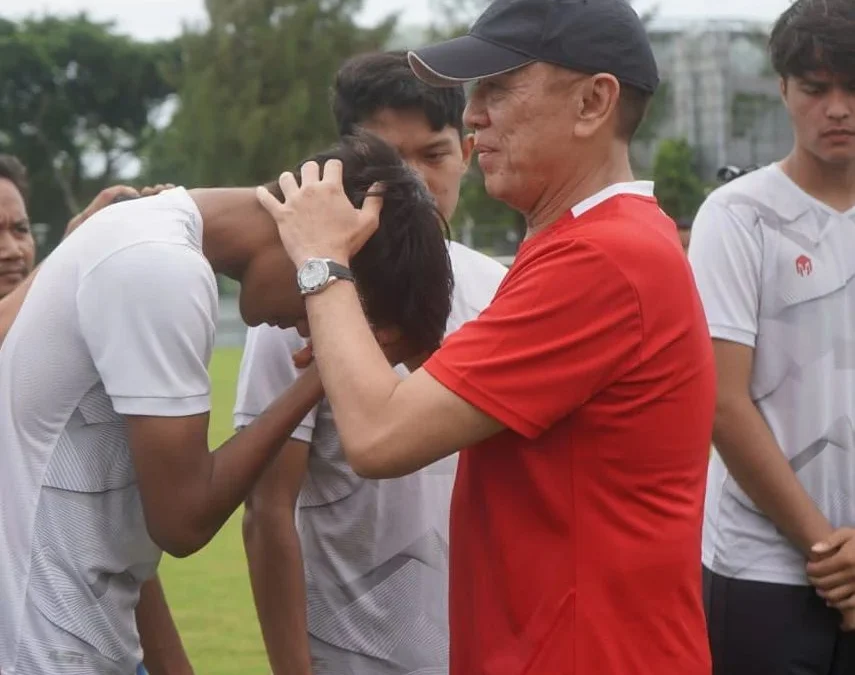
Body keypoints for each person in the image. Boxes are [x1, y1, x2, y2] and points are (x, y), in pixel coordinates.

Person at [253, 0, 717, 673]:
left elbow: (379, 437)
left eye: (499, 87)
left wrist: (322, 262)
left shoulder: (601, 259)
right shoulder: (589, 243)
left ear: (593, 101)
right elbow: (529, 434)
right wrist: (409, 347)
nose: (472, 115)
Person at [0, 132, 454, 675]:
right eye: (332, 306)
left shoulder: (146, 238)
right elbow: (183, 522)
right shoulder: (159, 266)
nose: (317, 328)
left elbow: (124, 541)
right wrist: (320, 379)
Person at [236, 50, 507, 675]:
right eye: (390, 160)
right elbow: (268, 509)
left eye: (433, 155)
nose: (413, 182)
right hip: (349, 656)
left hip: (485, 647)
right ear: (345, 166)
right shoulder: (302, 301)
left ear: (467, 154)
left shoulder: (503, 291)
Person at [688, 0, 855, 672]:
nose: (837, 108)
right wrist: (826, 554)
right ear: (782, 89)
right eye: (816, 89)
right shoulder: (736, 216)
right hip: (761, 568)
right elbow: (721, 402)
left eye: (852, 87)